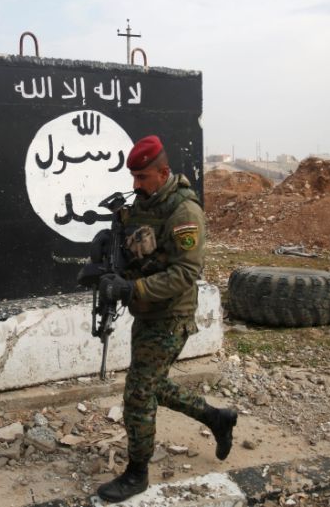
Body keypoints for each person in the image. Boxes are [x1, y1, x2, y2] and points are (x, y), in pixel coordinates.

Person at [92, 135, 237, 503]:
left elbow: (185, 273)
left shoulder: (184, 212)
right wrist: (105, 255)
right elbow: (134, 249)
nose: (135, 184)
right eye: (133, 177)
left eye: (142, 177)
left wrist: (131, 289)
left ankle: (137, 473)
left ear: (163, 172)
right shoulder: (143, 204)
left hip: (171, 314)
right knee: (153, 384)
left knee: (139, 392)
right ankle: (217, 418)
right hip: (147, 311)